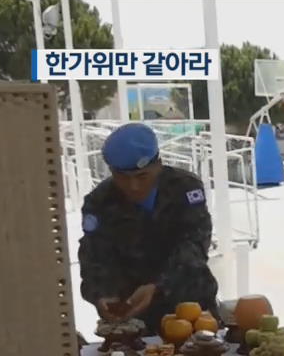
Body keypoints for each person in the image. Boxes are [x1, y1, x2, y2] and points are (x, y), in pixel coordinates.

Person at [78, 123, 218, 335]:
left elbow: (194, 245)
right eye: (123, 178)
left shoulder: (185, 188)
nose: (133, 186)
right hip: (133, 322)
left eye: (142, 176)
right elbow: (94, 257)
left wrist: (158, 286)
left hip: (190, 310)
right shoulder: (99, 203)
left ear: (158, 165)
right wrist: (102, 295)